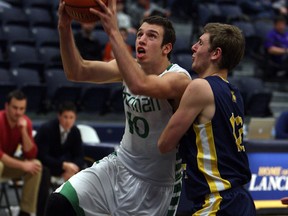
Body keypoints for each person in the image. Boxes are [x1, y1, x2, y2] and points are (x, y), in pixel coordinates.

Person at [44, 0, 192, 215]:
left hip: (156, 185)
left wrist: (112, 29)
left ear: (166, 48)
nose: (142, 39)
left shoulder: (178, 79)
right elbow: (77, 71)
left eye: (152, 36)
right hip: (118, 166)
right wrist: (64, 27)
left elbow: (140, 84)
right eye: (140, 34)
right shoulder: (129, 67)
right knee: (59, 203)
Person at [158, 23, 256, 215]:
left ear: (215, 53)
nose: (193, 47)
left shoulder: (200, 87)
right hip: (240, 200)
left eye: (200, 43)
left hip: (218, 201)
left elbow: (164, 144)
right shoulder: (234, 93)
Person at [35, 101, 84, 216]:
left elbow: (80, 155)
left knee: (83, 173)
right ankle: (42, 213)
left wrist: (73, 169)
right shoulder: (47, 129)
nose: (68, 121)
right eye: (65, 117)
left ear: (75, 118)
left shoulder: (75, 132)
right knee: (44, 172)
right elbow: (42, 156)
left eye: (71, 117)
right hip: (47, 166)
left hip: (66, 168)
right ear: (59, 116)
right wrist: (63, 166)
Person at [0, 89, 42, 216]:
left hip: (8, 164)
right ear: (6, 106)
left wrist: (23, 131)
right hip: (1, 163)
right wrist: (22, 165)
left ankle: (25, 212)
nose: (18, 112)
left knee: (36, 166)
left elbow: (31, 155)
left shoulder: (25, 123)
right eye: (15, 108)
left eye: (22, 109)